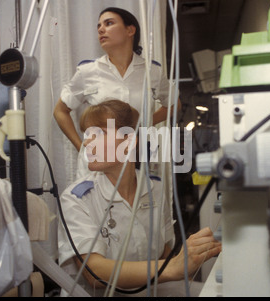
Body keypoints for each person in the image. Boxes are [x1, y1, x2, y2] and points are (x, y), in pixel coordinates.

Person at [57, 100, 221, 296]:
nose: (86, 142)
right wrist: (172, 268)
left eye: (99, 133)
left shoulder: (155, 189)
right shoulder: (76, 198)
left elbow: (162, 253)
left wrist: (187, 264)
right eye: (87, 134)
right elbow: (95, 273)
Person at [53, 7, 179, 178]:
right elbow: (60, 111)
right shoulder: (88, 71)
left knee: (135, 202)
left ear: (130, 30)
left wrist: (143, 124)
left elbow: (174, 104)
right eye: (99, 26)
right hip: (97, 166)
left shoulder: (152, 72)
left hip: (136, 160)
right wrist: (81, 146)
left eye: (109, 23)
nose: (101, 29)